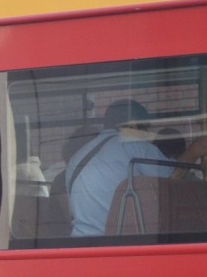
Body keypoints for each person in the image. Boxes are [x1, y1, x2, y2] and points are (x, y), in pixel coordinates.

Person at [66, 99, 207, 236]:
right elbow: (173, 178)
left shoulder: (77, 157)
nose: (147, 134)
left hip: (80, 244)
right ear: (133, 125)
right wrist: (195, 150)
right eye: (145, 127)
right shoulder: (132, 144)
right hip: (116, 244)